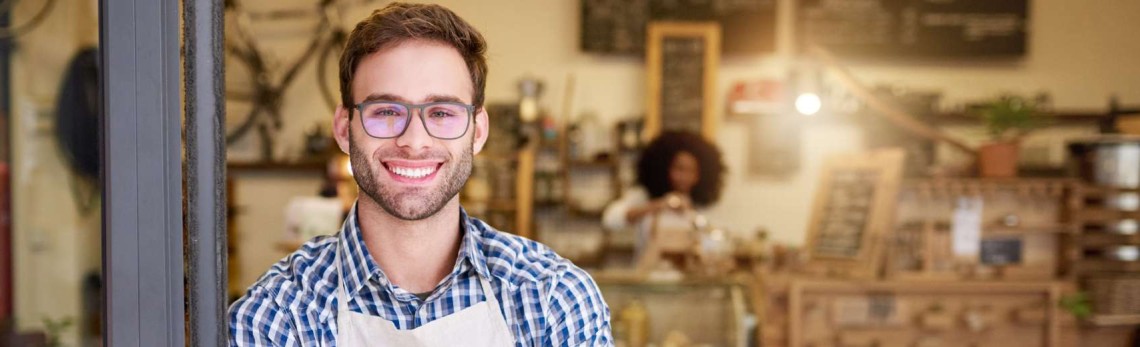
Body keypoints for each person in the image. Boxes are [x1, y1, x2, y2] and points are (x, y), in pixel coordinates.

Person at [228, 3, 612, 346]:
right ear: (344, 129)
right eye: (386, 111)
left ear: (478, 131)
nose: (413, 141)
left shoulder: (552, 299)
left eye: (442, 113)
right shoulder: (278, 316)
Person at [602, 130, 726, 271]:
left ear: (699, 175)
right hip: (647, 284)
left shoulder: (702, 207)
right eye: (679, 169)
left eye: (690, 171)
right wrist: (660, 205)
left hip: (685, 286)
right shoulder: (644, 197)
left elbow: (712, 246)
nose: (684, 176)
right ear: (665, 168)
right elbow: (610, 219)